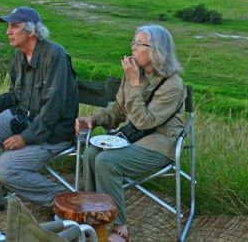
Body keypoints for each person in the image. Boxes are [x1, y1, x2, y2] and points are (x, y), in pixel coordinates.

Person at [74, 24, 185, 242]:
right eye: (133, 42)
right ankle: (94, 214)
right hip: (133, 135)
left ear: (156, 50)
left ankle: (119, 227)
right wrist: (93, 120)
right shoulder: (136, 72)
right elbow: (119, 108)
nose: (132, 48)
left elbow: (145, 121)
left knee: (107, 162)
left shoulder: (173, 84)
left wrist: (134, 82)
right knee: (90, 154)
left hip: (160, 143)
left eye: (138, 43)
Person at [0, 6, 79, 210]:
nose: (8, 31)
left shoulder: (55, 56)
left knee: (3, 168)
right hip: (24, 121)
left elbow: (53, 110)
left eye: (14, 26)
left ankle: (62, 201)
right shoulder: (19, 56)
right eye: (8, 26)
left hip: (52, 133)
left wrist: (26, 138)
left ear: (31, 30)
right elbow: (15, 96)